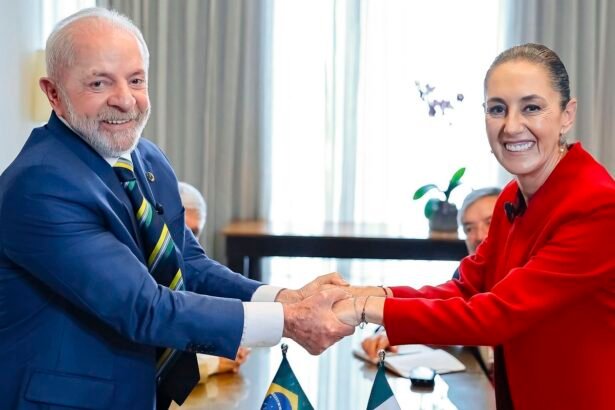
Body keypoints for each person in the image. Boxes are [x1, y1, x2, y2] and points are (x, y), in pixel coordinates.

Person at [0, 8, 353, 410]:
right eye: (99, 83)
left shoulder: (146, 158)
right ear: (53, 93)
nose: (125, 99)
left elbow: (186, 263)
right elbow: (143, 306)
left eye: (136, 80)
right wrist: (289, 321)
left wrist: (285, 298)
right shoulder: (40, 183)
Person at [335, 43, 615, 409]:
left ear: (567, 115)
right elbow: (466, 289)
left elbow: (495, 315)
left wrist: (364, 307)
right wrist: (369, 293)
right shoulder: (512, 196)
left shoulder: (597, 204)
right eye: (497, 109)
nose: (511, 126)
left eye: (531, 107)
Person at [361, 187, 501, 373]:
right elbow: (440, 315)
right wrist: (388, 333)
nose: (479, 236)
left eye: (490, 223)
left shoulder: (528, 276)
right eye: (469, 229)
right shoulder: (467, 276)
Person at [178, 181, 251, 378]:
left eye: (194, 234)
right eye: (182, 230)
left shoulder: (197, 273)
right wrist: (213, 363)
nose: (187, 241)